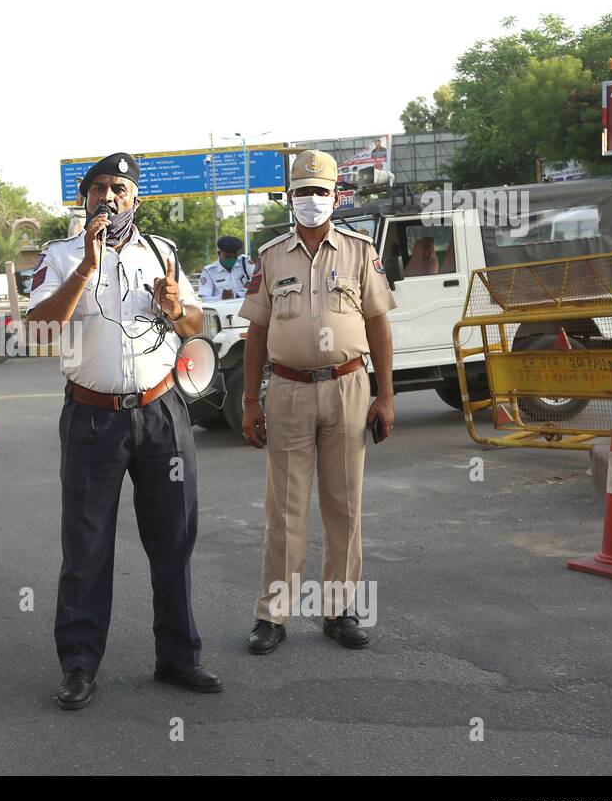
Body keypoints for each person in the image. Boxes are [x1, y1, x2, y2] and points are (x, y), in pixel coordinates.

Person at [25, 152, 222, 710]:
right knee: (86, 547)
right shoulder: (60, 256)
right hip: (92, 417)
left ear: (135, 199)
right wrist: (86, 267)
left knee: (174, 539)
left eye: (120, 189)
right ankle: (80, 665)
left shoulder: (161, 252)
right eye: (99, 189)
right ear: (84, 198)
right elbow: (38, 332)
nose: (109, 197)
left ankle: (179, 657)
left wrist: (178, 307)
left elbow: (194, 325)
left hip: (162, 413)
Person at [239, 149, 396, 655]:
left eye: (320, 192)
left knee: (344, 504)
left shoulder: (359, 251)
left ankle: (340, 610)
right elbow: (256, 332)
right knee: (284, 508)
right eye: (302, 192)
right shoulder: (271, 255)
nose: (312, 201)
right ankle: (273, 615)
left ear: (336, 196)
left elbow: (378, 324)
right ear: (290, 198)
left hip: (349, 387)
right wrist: (250, 400)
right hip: (285, 390)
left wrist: (386, 395)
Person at [198, 235, 252, 300]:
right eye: (227, 257)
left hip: (245, 307)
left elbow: (259, 279)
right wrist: (220, 297)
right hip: (224, 309)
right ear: (219, 253)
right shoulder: (209, 271)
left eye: (234, 257)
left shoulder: (243, 263)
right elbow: (204, 299)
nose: (231, 260)